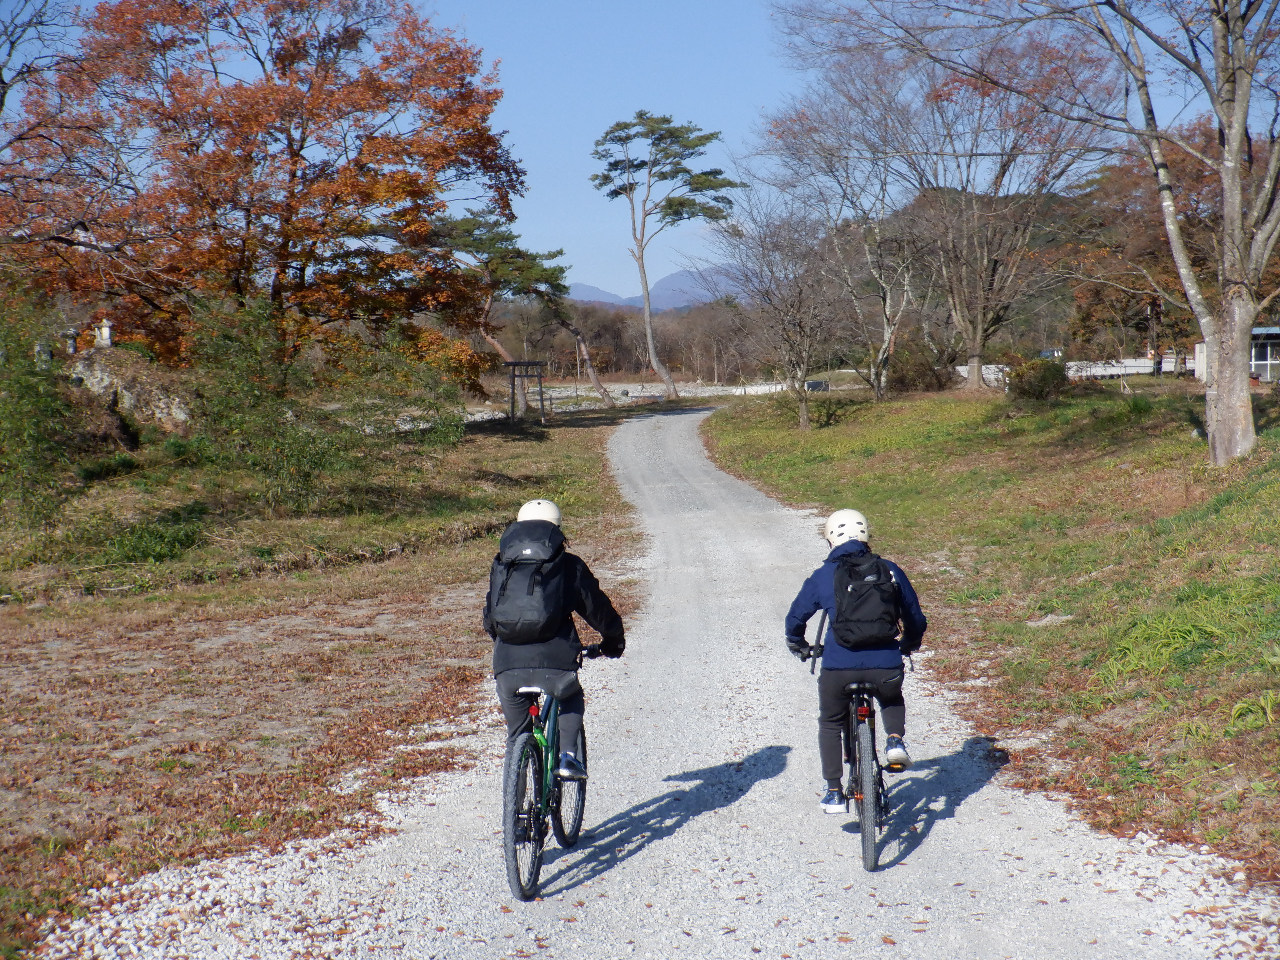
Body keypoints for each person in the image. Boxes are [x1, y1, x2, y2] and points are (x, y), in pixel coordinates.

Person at [784, 509, 927, 813]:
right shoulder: (889, 570)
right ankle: (894, 741)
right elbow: (914, 616)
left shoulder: (823, 575)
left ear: (831, 539)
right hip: (885, 665)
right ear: (866, 536)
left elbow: (795, 618)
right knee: (890, 697)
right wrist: (909, 643)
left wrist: (799, 644)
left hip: (838, 667)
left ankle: (834, 791)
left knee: (830, 721)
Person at [483, 498, 625, 781]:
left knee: (517, 737)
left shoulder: (502, 566)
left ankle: (516, 813)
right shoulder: (568, 566)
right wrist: (613, 641)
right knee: (571, 695)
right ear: (557, 530)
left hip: (507, 665)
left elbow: (491, 617)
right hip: (556, 663)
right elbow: (596, 609)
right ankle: (568, 757)